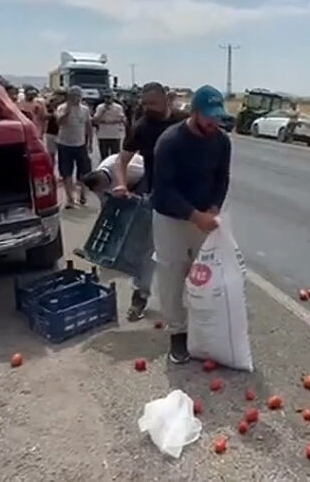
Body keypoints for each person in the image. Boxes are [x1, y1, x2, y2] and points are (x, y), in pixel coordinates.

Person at [150, 84, 231, 363]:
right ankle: (178, 335)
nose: (214, 122)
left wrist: (213, 208)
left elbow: (222, 178)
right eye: (209, 116)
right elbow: (163, 190)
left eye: (217, 116)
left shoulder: (221, 141)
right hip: (170, 218)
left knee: (205, 277)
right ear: (195, 112)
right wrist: (196, 217)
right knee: (172, 275)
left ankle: (203, 330)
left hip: (203, 218)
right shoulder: (170, 142)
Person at [111, 81, 187, 321]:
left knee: (190, 253)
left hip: (189, 196)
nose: (148, 108)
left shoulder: (183, 121)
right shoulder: (142, 127)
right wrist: (121, 184)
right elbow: (121, 161)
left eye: (153, 103)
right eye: (145, 103)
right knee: (149, 251)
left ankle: (192, 302)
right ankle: (139, 298)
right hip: (158, 197)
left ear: (166, 98)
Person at [55, 86, 93, 208]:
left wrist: (90, 142)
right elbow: (60, 122)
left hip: (80, 144)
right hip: (65, 144)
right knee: (66, 172)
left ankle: (82, 194)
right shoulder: (62, 108)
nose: (76, 98)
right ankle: (70, 198)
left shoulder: (85, 109)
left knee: (84, 171)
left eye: (78, 96)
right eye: (73, 96)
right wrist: (68, 110)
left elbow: (88, 126)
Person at [93, 92, 127, 159]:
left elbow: (122, 119)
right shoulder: (100, 107)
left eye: (109, 98)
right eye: (106, 98)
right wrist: (102, 112)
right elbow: (95, 120)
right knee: (104, 156)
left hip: (115, 135)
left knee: (114, 157)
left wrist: (110, 122)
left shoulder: (118, 107)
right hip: (103, 135)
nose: (108, 100)